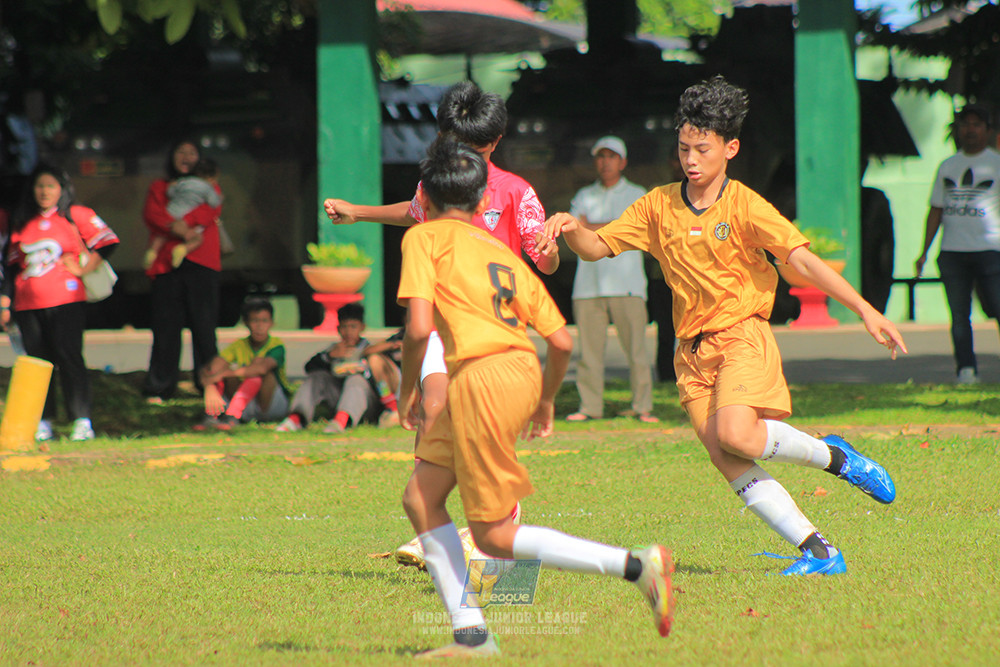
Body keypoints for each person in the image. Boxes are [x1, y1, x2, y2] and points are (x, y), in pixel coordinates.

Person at [546, 75, 908, 576]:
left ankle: (836, 458)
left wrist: (866, 309)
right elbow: (596, 248)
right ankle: (820, 552)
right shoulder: (656, 205)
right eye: (683, 148)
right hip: (689, 353)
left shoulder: (744, 205)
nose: (690, 160)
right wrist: (572, 228)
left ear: (729, 148)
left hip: (741, 335)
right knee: (726, 454)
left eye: (702, 149)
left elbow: (801, 261)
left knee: (737, 434)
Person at [396, 138, 673, 658]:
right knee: (420, 498)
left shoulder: (423, 239)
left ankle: (637, 566)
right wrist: (544, 399)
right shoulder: (500, 252)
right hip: (510, 371)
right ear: (483, 205)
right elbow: (562, 340)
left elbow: (417, 330)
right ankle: (471, 636)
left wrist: (406, 389)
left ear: (424, 204)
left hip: (479, 377)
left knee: (495, 536)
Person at [324, 81, 558, 566]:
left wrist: (552, 253)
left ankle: (495, 535)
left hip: (489, 335)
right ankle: (433, 524)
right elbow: (414, 216)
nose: (459, 153)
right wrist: (360, 213)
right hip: (440, 326)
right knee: (431, 408)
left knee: (482, 435)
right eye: (452, 141)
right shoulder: (436, 183)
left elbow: (544, 259)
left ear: (492, 144)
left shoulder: (516, 191)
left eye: (470, 145)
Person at [4, 163, 120, 441]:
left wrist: (84, 268)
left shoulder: (75, 215)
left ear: (62, 189)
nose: (44, 192)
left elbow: (108, 241)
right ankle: (43, 420)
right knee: (37, 361)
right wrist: (5, 301)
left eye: (51, 186)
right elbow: (11, 265)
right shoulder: (23, 220)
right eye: (40, 186)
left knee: (69, 357)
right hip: (28, 303)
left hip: (66, 298)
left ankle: (81, 419)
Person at [566, 135, 656, 423]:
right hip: (588, 286)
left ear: (623, 161)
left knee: (637, 352)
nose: (606, 162)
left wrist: (589, 227)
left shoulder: (637, 194)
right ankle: (590, 407)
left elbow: (638, 231)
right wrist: (615, 226)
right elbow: (572, 231)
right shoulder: (584, 194)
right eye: (601, 156)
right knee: (589, 354)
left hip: (628, 285)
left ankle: (642, 406)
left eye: (612, 156)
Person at [915, 103, 1000, 384]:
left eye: (977, 124)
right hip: (953, 252)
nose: (970, 129)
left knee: (996, 308)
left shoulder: (996, 164)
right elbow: (936, 210)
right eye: (965, 124)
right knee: (960, 314)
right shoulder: (948, 166)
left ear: (987, 131)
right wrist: (924, 252)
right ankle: (966, 369)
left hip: (991, 250)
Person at [141, 139, 223, 404]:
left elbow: (212, 209)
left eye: (192, 152)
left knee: (204, 325)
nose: (186, 156)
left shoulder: (210, 185)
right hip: (167, 263)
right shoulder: (161, 187)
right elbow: (153, 215)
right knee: (166, 326)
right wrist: (181, 229)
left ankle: (208, 385)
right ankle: (160, 387)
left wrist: (183, 225)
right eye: (180, 151)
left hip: (202, 261)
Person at [275, 303, 401, 434]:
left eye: (353, 327)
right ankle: (295, 419)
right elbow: (309, 367)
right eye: (344, 327)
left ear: (362, 327)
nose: (348, 332)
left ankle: (340, 422)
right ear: (338, 329)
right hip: (338, 398)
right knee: (317, 377)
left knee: (356, 379)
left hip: (366, 403)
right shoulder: (335, 349)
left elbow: (383, 379)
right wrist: (330, 356)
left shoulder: (369, 349)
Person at [194, 298, 292, 430]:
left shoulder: (276, 346)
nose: (259, 326)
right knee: (225, 370)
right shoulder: (239, 345)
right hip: (247, 401)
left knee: (259, 372)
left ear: (272, 323)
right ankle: (214, 415)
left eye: (264, 321)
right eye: (255, 321)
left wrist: (224, 374)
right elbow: (211, 368)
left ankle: (233, 414)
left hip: (270, 405)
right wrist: (210, 386)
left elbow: (262, 369)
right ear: (246, 323)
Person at [143, 158, 222, 271]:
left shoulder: (184, 181)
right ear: (211, 178)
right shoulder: (208, 188)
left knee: (160, 236)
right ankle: (182, 249)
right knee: (197, 239)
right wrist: (219, 198)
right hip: (185, 218)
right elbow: (214, 203)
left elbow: (170, 192)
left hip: (172, 212)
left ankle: (152, 252)